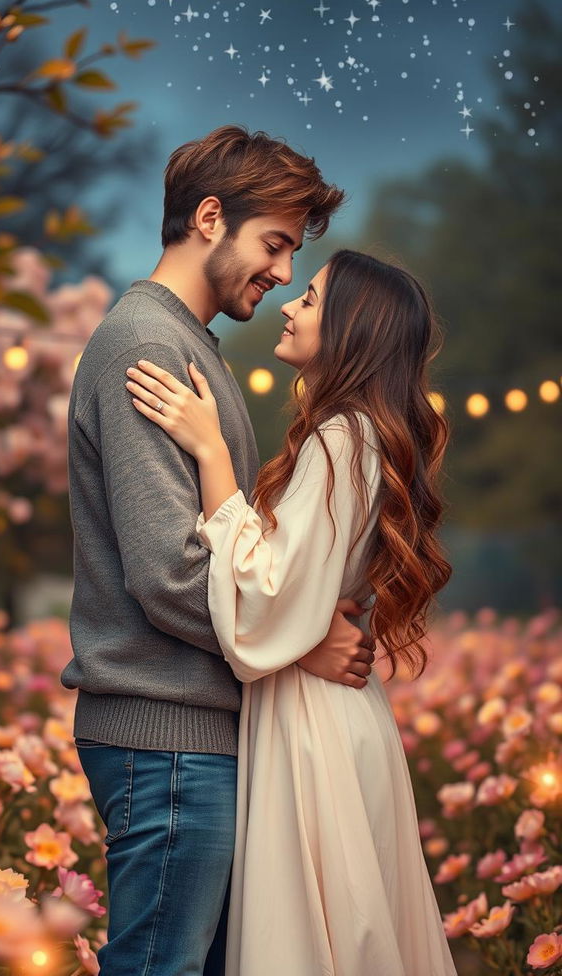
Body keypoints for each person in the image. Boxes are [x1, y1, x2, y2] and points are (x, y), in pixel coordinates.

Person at [62, 126, 376, 976]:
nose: (281, 276)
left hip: (197, 731)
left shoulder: (192, 348)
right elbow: (168, 573)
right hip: (166, 733)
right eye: (274, 244)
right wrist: (306, 640)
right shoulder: (145, 345)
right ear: (209, 217)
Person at [124, 248, 459, 975]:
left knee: (321, 938)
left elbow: (267, 594)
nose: (288, 304)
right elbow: (298, 594)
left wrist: (211, 450)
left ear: (350, 328)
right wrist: (311, 629)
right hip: (329, 709)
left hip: (314, 722)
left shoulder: (344, 437)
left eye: (309, 298)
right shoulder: (354, 433)